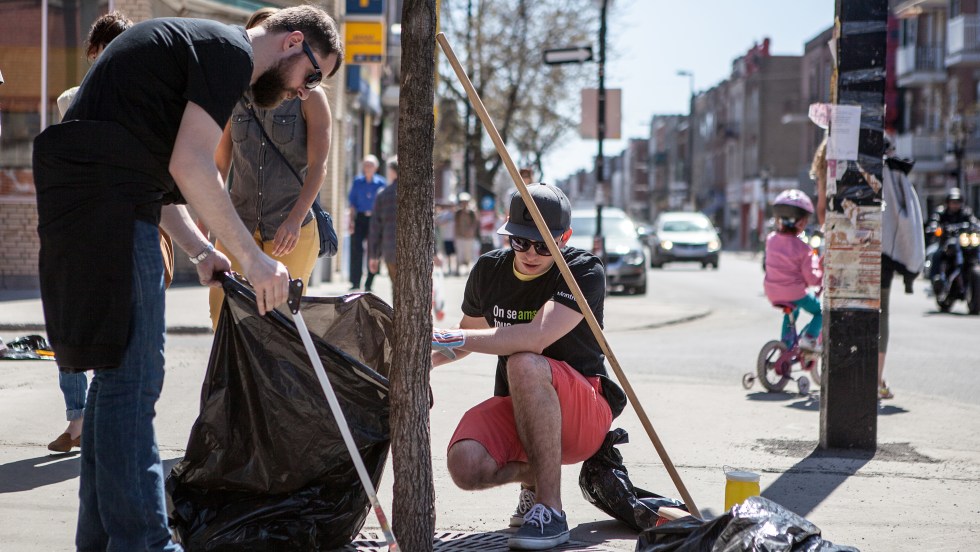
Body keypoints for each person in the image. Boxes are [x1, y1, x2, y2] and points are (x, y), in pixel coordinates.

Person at [32, 6, 343, 549]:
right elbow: (193, 165)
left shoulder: (200, 50)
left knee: (113, 378)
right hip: (108, 209)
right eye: (312, 76)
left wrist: (202, 251)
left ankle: (101, 541)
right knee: (134, 382)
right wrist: (252, 259)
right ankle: (147, 542)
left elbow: (160, 176)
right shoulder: (229, 54)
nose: (304, 91)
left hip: (99, 202)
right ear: (293, 41)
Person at [430, 184, 626, 551]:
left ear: (564, 238)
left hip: (583, 413)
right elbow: (467, 336)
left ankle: (550, 509)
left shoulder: (583, 271)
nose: (530, 253)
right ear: (507, 231)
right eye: (520, 242)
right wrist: (423, 363)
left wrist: (446, 336)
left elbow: (536, 337)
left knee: (524, 361)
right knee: (465, 464)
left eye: (543, 245)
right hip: (524, 410)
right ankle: (535, 477)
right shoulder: (489, 270)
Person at [207, 6, 332, 330]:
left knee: (278, 326)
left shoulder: (309, 98)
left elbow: (318, 166)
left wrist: (294, 219)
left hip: (290, 229)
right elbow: (220, 161)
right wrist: (207, 217)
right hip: (238, 222)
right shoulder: (236, 93)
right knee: (223, 314)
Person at [47, 10, 134, 455]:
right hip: (77, 226)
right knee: (67, 327)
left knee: (108, 330)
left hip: (119, 230)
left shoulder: (138, 100)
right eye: (103, 51)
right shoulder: (71, 99)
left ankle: (96, 419)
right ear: (92, 52)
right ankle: (78, 419)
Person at [880, 139, 925, 400]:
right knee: (881, 313)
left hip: (855, 251)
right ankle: (876, 379)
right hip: (885, 255)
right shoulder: (895, 171)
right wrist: (910, 262)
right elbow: (909, 220)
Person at [763, 189, 824, 353]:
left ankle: (786, 346)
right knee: (821, 312)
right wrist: (822, 275)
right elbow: (812, 279)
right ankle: (810, 338)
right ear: (801, 223)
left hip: (772, 291)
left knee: (792, 311)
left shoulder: (771, 240)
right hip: (795, 292)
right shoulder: (803, 249)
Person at [926, 187, 978, 293]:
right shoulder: (941, 212)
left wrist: (977, 226)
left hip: (963, 242)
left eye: (957, 202)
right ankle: (935, 280)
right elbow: (934, 222)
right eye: (953, 202)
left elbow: (974, 222)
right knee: (937, 254)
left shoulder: (966, 212)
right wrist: (934, 227)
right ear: (948, 202)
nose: (955, 204)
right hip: (946, 242)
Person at [348, 154, 386, 291]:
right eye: (365, 165)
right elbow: (352, 203)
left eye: (370, 165)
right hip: (360, 219)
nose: (368, 167)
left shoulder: (381, 183)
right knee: (356, 249)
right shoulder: (357, 182)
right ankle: (355, 283)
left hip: (375, 219)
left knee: (374, 251)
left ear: (376, 168)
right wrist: (351, 221)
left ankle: (369, 284)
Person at [368, 156, 398, 282]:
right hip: (414, 251)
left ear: (392, 172)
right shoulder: (416, 193)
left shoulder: (383, 194)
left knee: (396, 287)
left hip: (390, 248)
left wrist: (374, 256)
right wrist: (434, 252)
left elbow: (375, 228)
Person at [454, 191, 480, 275]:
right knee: (459, 254)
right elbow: (456, 223)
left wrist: (471, 232)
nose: (464, 203)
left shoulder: (472, 212)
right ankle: (457, 270)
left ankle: (469, 270)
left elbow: (475, 224)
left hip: (469, 237)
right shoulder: (458, 212)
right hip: (460, 236)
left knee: (468, 254)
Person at [436, 200, 457, 275]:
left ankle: (455, 269)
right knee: (448, 254)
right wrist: (446, 221)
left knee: (455, 255)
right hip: (447, 237)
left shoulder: (457, 214)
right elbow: (438, 222)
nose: (451, 207)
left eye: (453, 206)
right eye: (450, 206)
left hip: (456, 238)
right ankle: (448, 269)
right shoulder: (445, 214)